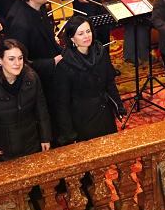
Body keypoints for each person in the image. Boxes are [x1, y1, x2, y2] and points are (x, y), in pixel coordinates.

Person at [0, 39, 50, 164]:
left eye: (20, 58)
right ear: (0, 61)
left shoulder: (32, 78)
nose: (17, 63)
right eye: (11, 59)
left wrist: (45, 137)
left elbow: (41, 109)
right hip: (2, 151)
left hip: (30, 145)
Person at [52, 16, 124, 145]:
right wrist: (68, 133)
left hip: (104, 111)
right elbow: (62, 103)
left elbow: (110, 83)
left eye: (88, 31)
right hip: (83, 118)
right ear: (72, 38)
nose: (86, 36)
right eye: (80, 33)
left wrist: (119, 106)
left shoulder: (100, 52)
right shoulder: (65, 64)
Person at [4, 0, 63, 90]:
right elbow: (21, 62)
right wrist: (52, 62)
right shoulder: (19, 24)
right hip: (36, 81)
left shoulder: (39, 6)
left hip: (51, 69)